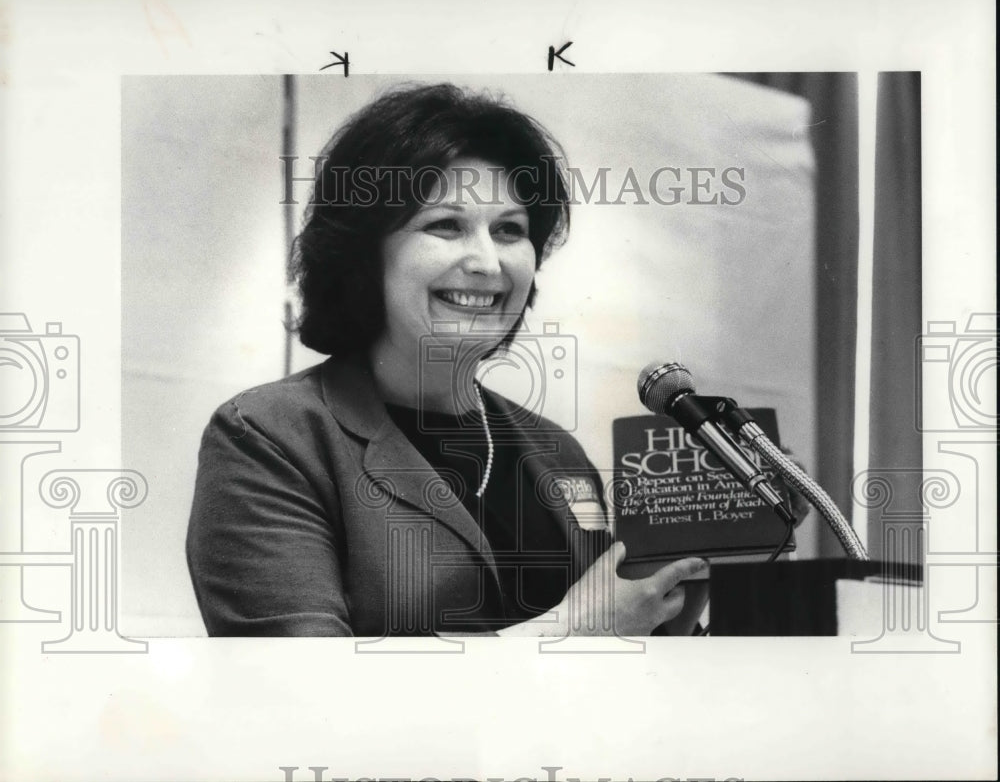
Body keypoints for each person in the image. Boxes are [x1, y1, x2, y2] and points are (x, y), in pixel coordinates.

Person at [186, 83, 708, 637]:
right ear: (365, 255)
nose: (487, 262)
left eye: (509, 230)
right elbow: (304, 692)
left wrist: (722, 549)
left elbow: (632, 644)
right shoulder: (269, 438)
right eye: (445, 225)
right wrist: (568, 631)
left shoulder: (560, 455)